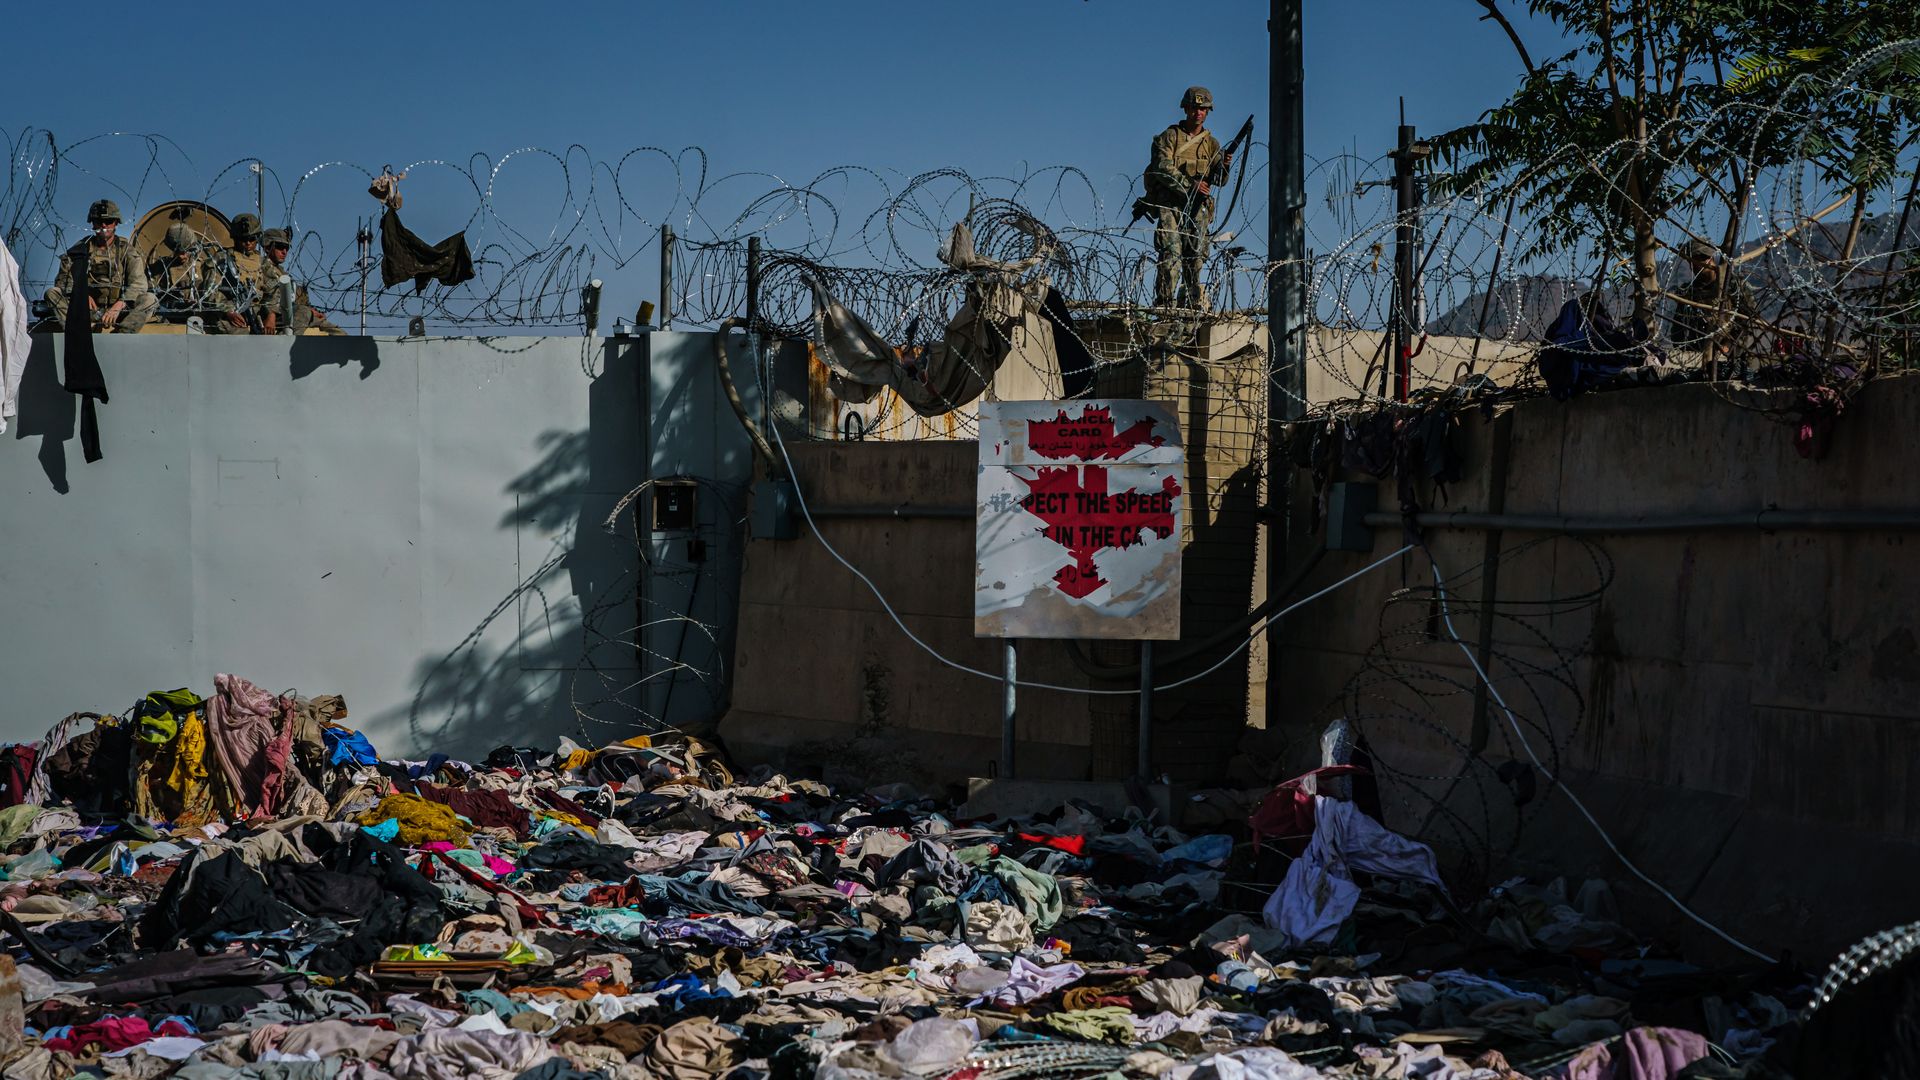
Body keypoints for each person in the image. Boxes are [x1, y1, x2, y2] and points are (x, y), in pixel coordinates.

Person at [1142, 86, 1231, 311]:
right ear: (1185, 109)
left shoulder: (1211, 144)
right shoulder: (1170, 137)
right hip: (1171, 204)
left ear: (1208, 111)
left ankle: (1191, 304)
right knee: (1171, 254)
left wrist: (1224, 166)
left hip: (1198, 209)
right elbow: (1162, 166)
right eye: (1194, 107)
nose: (1198, 113)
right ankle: (1165, 305)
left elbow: (1219, 181)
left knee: (1195, 255)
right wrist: (1189, 184)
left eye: (1202, 109)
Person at [45, 199, 157, 333]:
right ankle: (79, 332)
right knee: (52, 293)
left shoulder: (127, 251)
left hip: (119, 311)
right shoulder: (79, 250)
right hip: (85, 312)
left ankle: (121, 335)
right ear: (93, 224)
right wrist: (80, 295)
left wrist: (120, 304)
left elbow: (138, 284)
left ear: (115, 223)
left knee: (150, 300)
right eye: (99, 221)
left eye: (109, 221)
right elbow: (62, 281)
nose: (104, 225)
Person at [1668, 238, 1762, 365]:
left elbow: (1747, 321)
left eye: (1698, 260)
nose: (1694, 266)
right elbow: (1677, 329)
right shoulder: (1689, 292)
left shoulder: (1733, 287)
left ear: (1709, 258)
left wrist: (1728, 346)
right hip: (1695, 356)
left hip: (1730, 355)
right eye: (1691, 262)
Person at [259, 228, 344, 335]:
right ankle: (287, 347)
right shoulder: (261, 267)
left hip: (292, 313)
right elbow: (268, 296)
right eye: (280, 247)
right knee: (303, 312)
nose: (284, 252)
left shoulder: (281, 272)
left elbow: (293, 298)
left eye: (287, 247)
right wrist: (271, 315)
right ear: (267, 247)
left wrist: (311, 311)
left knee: (339, 334)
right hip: (275, 315)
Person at [210, 213, 272, 334]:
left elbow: (274, 290)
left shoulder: (263, 262)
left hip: (257, 311)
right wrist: (228, 311)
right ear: (235, 238)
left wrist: (271, 315)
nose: (248, 243)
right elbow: (209, 290)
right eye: (243, 239)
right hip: (228, 310)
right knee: (241, 334)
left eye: (252, 239)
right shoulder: (222, 258)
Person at [147, 223, 220, 318]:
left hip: (200, 315)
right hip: (168, 314)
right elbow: (149, 289)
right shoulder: (161, 267)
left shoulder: (204, 266)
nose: (182, 256)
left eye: (185, 251)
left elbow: (214, 296)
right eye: (178, 252)